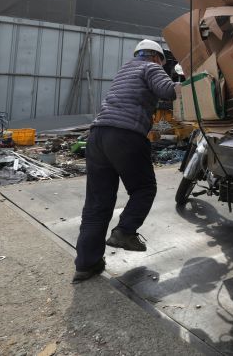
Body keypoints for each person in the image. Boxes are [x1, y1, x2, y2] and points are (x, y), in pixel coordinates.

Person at [73, 39, 179, 282]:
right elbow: (168, 91)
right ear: (157, 57)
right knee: (144, 188)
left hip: (97, 135)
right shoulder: (151, 67)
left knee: (96, 203)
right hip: (126, 135)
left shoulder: (124, 70)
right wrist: (194, 84)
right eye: (162, 63)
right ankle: (125, 231)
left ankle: (86, 264)